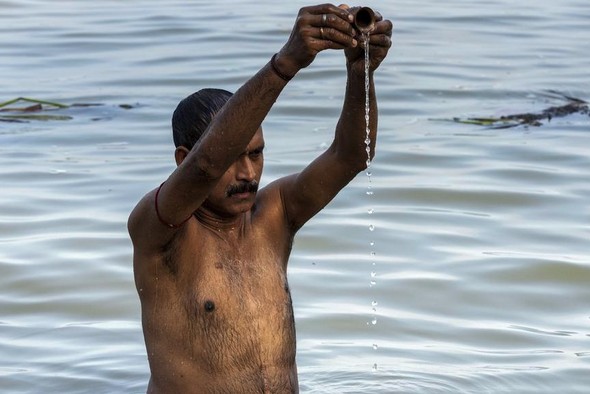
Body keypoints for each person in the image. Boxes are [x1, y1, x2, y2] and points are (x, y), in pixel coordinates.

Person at [127, 4, 392, 393]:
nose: (248, 175)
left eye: (256, 154)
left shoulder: (275, 214)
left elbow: (352, 155)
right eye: (232, 160)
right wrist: (286, 62)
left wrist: (360, 73)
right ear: (183, 159)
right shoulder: (160, 231)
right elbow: (204, 166)